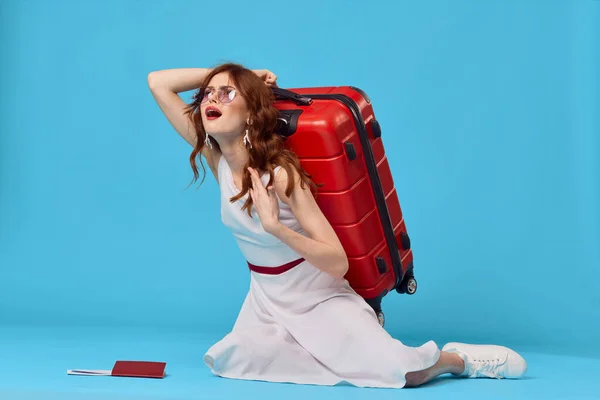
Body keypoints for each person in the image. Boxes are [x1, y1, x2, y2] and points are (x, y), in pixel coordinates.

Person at [147, 63, 527, 388]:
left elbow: (337, 262)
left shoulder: (279, 175)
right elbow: (157, 82)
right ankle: (358, 337)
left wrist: (277, 227)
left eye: (227, 94)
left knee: (402, 373)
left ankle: (456, 360)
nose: (211, 99)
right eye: (208, 94)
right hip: (266, 300)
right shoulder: (219, 163)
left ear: (250, 115)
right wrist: (243, 74)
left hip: (316, 296)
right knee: (234, 360)